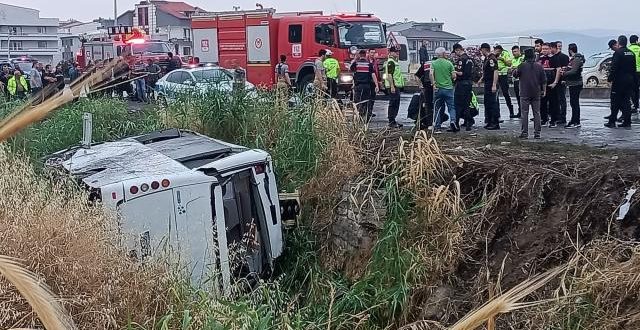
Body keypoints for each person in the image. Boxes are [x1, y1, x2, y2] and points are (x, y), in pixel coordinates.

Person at [514, 48, 546, 139]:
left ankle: (524, 133)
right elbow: (544, 80)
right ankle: (537, 133)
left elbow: (515, 74)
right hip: (536, 92)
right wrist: (544, 91)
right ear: (534, 56)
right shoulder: (539, 66)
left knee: (524, 113)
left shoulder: (522, 65)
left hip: (524, 92)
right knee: (537, 113)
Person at [606, 35, 637, 128]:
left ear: (619, 42)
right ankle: (627, 122)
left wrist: (610, 78)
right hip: (629, 80)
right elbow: (634, 68)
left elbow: (614, 68)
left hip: (619, 81)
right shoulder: (631, 53)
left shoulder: (618, 53)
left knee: (615, 101)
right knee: (626, 101)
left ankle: (612, 121)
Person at [430, 47, 458, 132]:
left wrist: (433, 84)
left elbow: (431, 74)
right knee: (451, 107)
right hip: (448, 88)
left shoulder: (433, 63)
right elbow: (454, 76)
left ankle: (437, 126)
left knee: (437, 108)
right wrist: (452, 79)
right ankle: (453, 121)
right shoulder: (449, 63)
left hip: (438, 89)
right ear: (443, 54)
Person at [350, 49, 379, 121]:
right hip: (367, 86)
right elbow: (373, 75)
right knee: (366, 101)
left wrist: (355, 59)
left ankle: (358, 116)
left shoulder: (356, 64)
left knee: (358, 101)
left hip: (358, 86)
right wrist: (377, 85)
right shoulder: (369, 64)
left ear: (359, 55)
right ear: (365, 54)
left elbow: (351, 70)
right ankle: (365, 117)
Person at [562, 43, 585, 128]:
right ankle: (575, 120)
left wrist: (564, 73)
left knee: (574, 103)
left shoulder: (576, 59)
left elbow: (574, 71)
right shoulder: (577, 59)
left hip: (575, 83)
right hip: (574, 83)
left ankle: (575, 121)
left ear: (570, 50)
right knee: (574, 102)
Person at [453, 43, 474, 131]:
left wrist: (453, 71)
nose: (455, 54)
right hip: (469, 83)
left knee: (457, 104)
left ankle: (456, 123)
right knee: (466, 104)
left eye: (455, 52)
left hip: (461, 83)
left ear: (458, 50)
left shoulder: (461, 60)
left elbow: (461, 73)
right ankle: (468, 122)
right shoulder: (469, 59)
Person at [384, 46, 405, 128]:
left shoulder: (394, 62)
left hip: (396, 86)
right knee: (393, 103)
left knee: (396, 103)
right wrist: (392, 86)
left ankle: (393, 120)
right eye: (395, 52)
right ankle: (391, 121)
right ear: (391, 52)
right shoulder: (391, 62)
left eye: (398, 52)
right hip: (393, 86)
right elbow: (389, 75)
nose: (397, 53)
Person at [480, 43, 500, 130]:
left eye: (481, 50)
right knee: (487, 103)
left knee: (493, 103)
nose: (481, 52)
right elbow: (486, 71)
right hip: (487, 82)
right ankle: (489, 121)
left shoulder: (492, 58)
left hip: (491, 83)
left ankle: (495, 122)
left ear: (484, 49)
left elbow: (495, 71)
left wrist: (494, 84)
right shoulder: (487, 59)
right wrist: (481, 79)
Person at [494, 45, 516, 118]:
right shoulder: (492, 54)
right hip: (496, 76)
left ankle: (511, 111)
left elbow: (509, 63)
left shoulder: (505, 53)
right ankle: (497, 114)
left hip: (503, 75)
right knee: (495, 95)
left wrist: (502, 59)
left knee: (506, 93)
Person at [554, 41, 570, 126]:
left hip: (561, 81)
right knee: (556, 100)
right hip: (555, 81)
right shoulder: (554, 56)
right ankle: (557, 115)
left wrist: (564, 79)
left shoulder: (564, 57)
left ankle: (562, 117)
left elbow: (566, 69)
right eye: (558, 46)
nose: (559, 47)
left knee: (562, 99)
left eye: (561, 46)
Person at [511, 46, 525, 117]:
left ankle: (523, 112)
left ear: (519, 51)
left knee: (522, 97)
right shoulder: (513, 59)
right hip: (515, 80)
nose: (514, 53)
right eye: (513, 52)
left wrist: (515, 68)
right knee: (517, 96)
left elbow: (523, 67)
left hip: (521, 80)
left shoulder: (522, 58)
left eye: (515, 51)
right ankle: (520, 112)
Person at [628, 35, 640, 113]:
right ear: (636, 41)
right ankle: (637, 105)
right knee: (637, 89)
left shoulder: (628, 49)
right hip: (639, 72)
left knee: (632, 89)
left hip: (632, 72)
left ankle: (635, 105)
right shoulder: (639, 49)